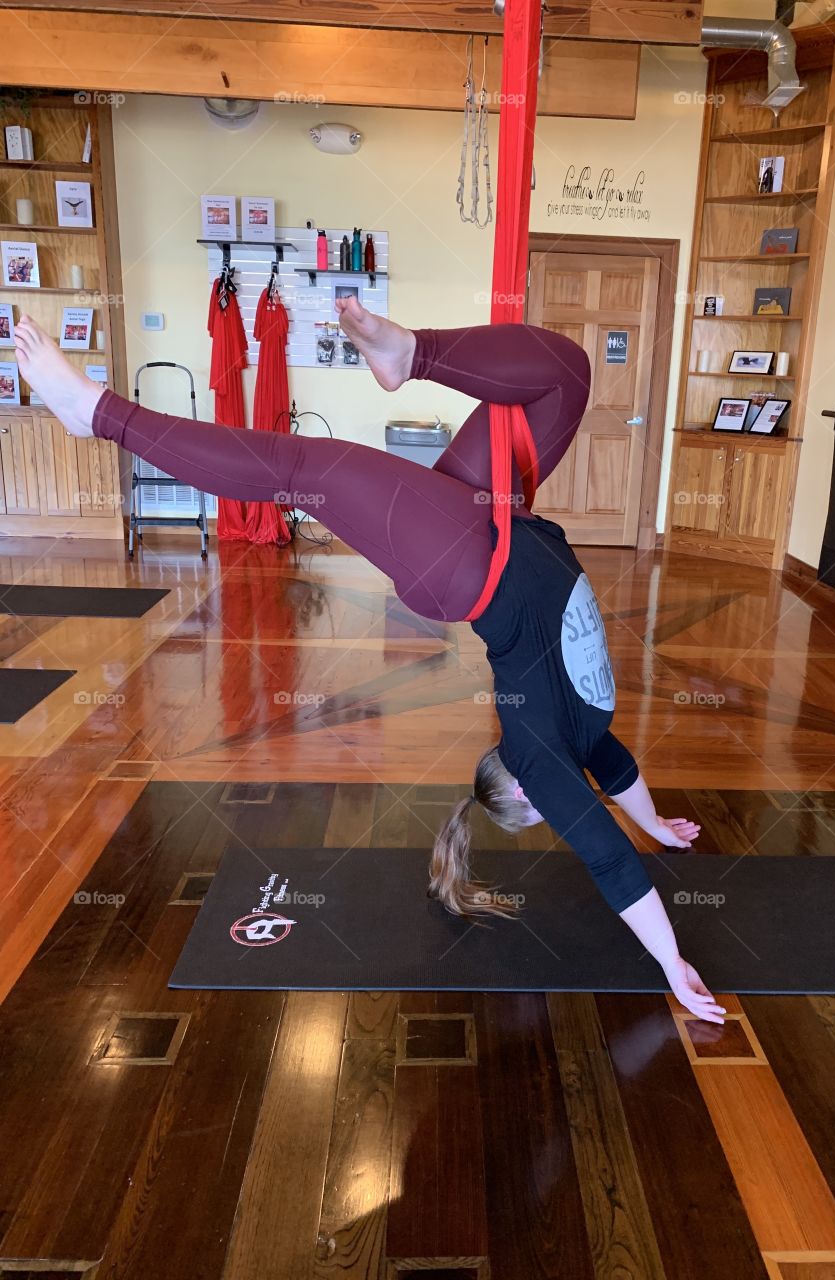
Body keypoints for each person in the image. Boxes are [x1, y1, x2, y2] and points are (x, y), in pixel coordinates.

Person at [13, 303, 724, 1024]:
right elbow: (619, 771)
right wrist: (657, 823)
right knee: (565, 375)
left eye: (545, 815)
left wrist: (672, 964)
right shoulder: (585, 737)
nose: (569, 812)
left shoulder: (540, 759)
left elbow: (608, 861)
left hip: (465, 561)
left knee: (300, 469)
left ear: (523, 795)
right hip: (501, 516)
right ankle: (409, 354)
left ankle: (99, 415)